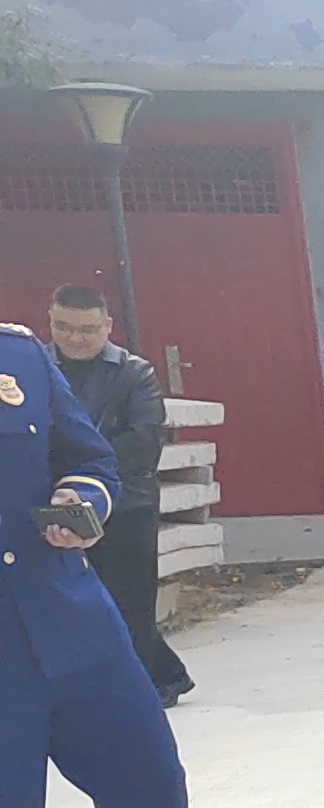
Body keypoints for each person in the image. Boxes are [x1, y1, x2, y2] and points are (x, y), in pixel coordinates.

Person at [3, 338, 253, 808]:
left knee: (149, 778)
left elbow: (89, 458)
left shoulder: (19, 358)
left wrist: (79, 499)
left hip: (71, 618)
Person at [45, 286, 191, 702]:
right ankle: (163, 676)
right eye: (64, 327)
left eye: (87, 329)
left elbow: (142, 441)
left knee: (129, 601)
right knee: (73, 602)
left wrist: (83, 473)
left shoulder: (134, 373)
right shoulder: (35, 369)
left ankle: (141, 691)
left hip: (126, 502)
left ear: (107, 326)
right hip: (55, 502)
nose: (75, 338)